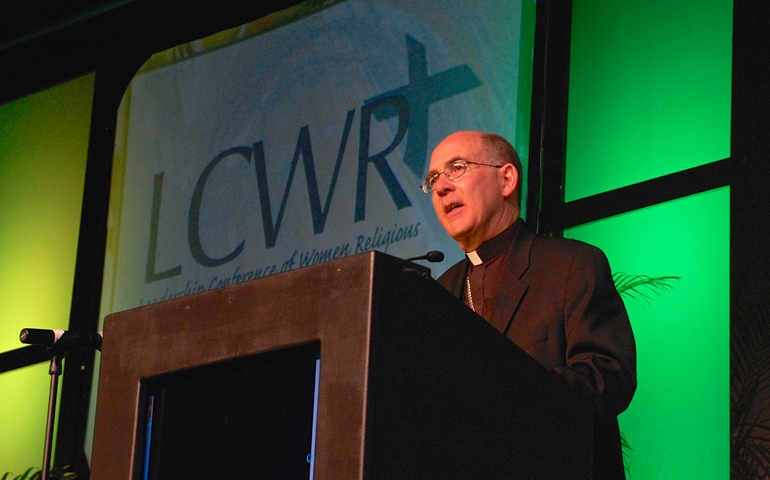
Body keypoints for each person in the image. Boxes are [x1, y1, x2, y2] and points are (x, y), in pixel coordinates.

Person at [423, 131, 637, 479]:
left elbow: (608, 377)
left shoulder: (571, 265)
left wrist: (513, 390)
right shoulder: (439, 293)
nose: (441, 187)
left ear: (506, 179)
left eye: (456, 168)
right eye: (433, 179)